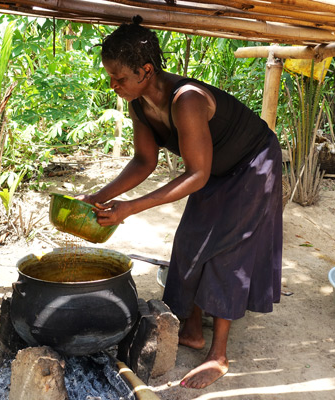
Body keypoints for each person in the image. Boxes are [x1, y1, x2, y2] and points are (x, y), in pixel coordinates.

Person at [77, 16, 282, 389]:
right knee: (190, 242)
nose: (113, 85)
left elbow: (196, 175)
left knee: (226, 252)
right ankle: (191, 327)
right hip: (213, 169)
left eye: (119, 77)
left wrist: (130, 209)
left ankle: (218, 353)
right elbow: (144, 161)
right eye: (110, 76)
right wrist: (99, 197)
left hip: (253, 163)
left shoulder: (186, 100)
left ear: (146, 70)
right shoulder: (139, 103)